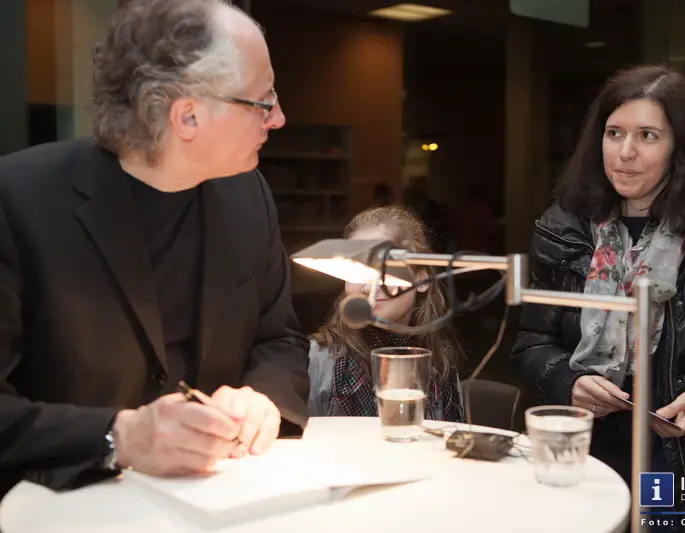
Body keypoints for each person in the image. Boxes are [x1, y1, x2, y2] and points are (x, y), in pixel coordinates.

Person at [0, 0, 310, 497]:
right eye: (263, 100)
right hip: (64, 509)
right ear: (187, 117)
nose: (278, 118)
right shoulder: (16, 200)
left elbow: (280, 340)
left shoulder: (247, 195)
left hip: (220, 499)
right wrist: (119, 436)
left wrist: (264, 397)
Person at [510, 66, 685, 528]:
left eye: (648, 136)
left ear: (681, 146)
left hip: (684, 464)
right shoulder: (562, 232)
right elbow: (531, 344)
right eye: (613, 133)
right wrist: (566, 383)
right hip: (579, 453)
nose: (625, 153)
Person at [307, 206, 464, 422]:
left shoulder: (439, 360)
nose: (367, 287)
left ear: (421, 280)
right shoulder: (320, 359)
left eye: (386, 270)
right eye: (357, 271)